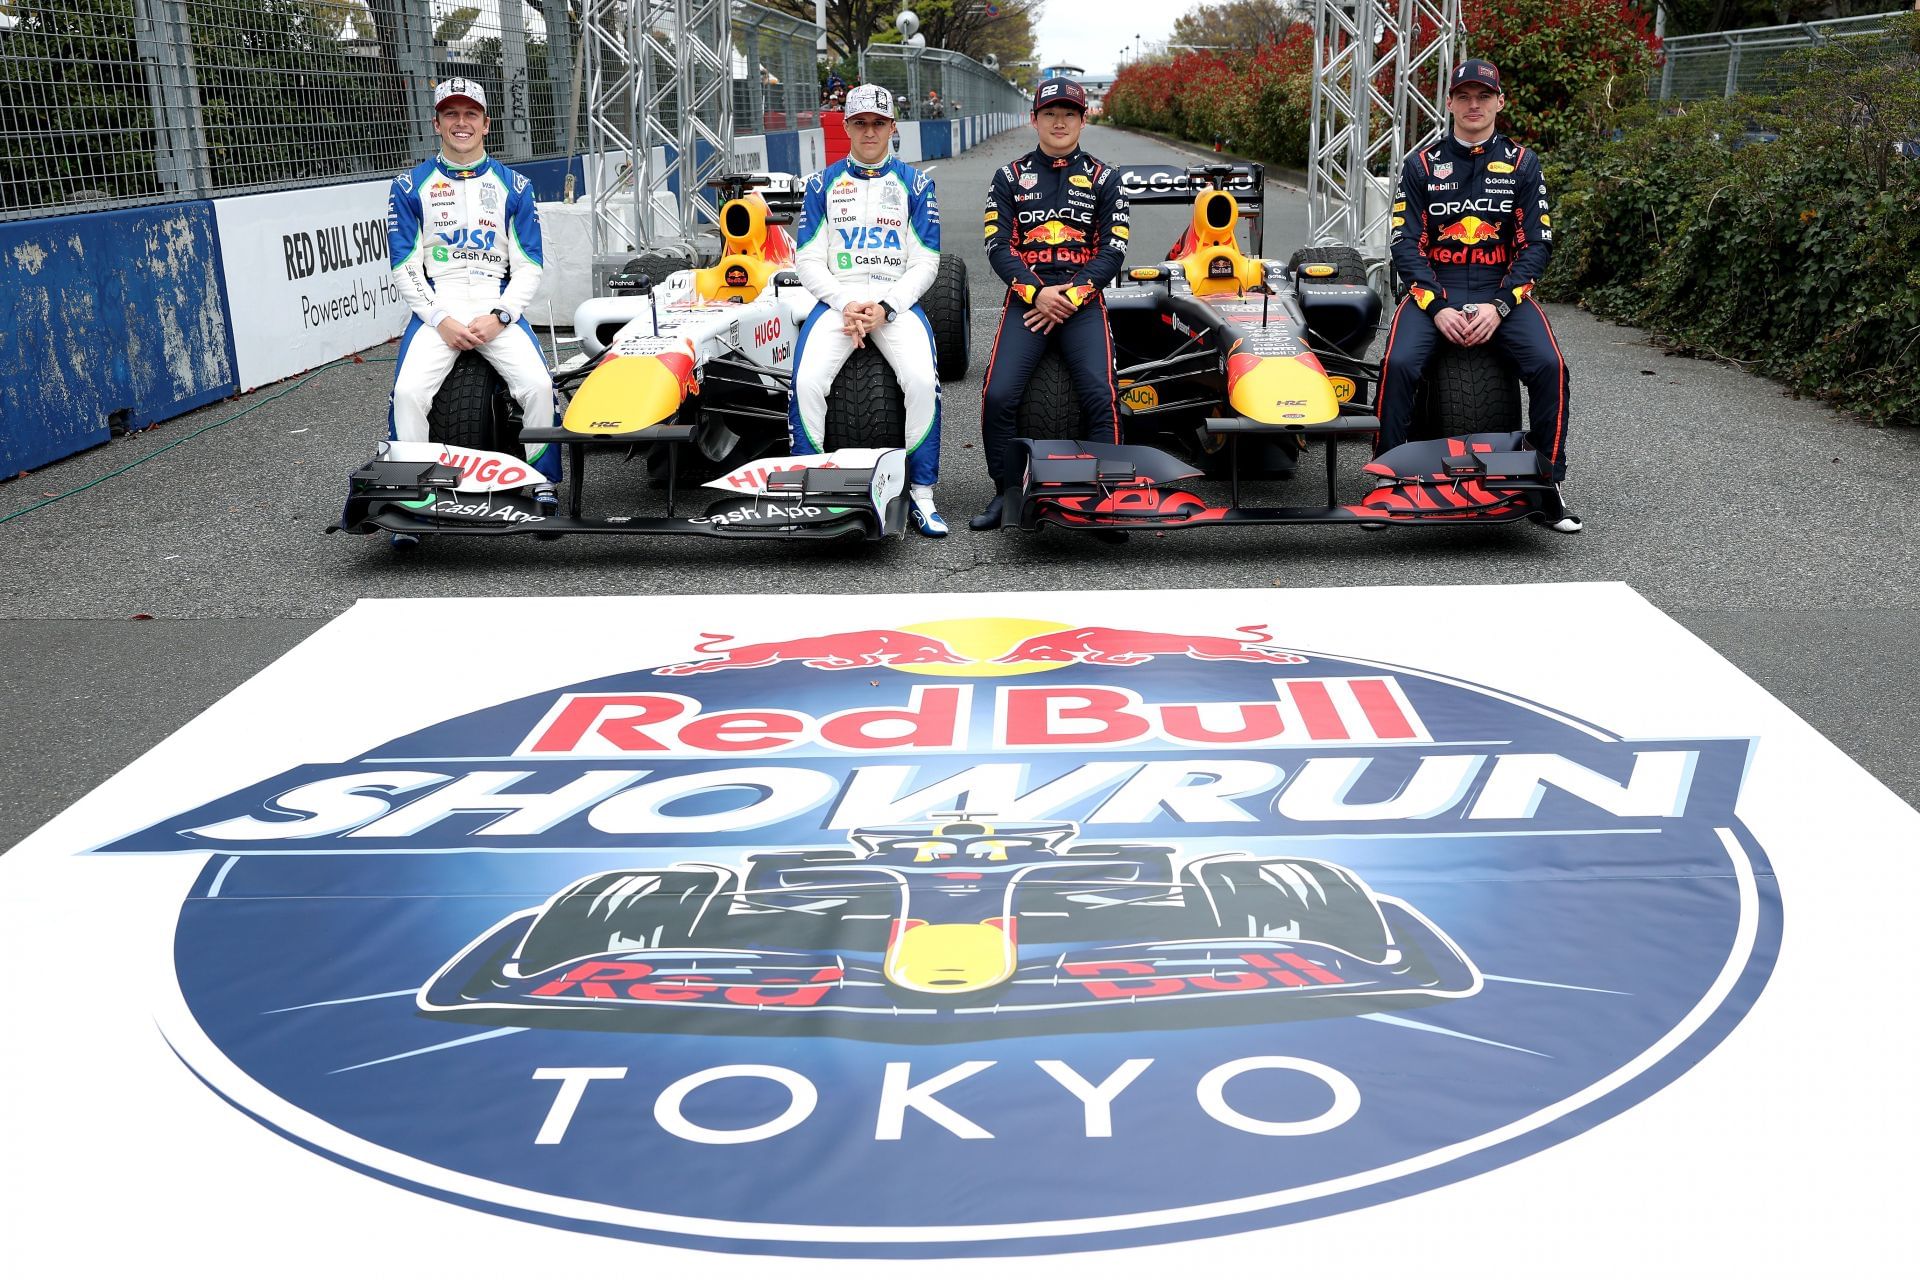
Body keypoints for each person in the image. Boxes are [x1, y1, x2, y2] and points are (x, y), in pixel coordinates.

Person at [1376, 59, 1579, 533]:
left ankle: (1549, 486)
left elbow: (1537, 244)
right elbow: (1404, 243)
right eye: (1464, 96)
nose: (1474, 104)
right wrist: (1436, 305)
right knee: (1399, 365)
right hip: (1436, 291)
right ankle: (1386, 483)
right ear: (1449, 103)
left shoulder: (1523, 163)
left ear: (1498, 103)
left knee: (1552, 368)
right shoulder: (1421, 165)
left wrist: (1502, 304)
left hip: (1500, 293)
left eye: (1483, 96)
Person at [386, 76, 559, 543]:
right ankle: (410, 500)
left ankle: (541, 485)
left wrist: (500, 316)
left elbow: (529, 266)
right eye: (451, 115)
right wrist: (440, 320)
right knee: (407, 395)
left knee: (539, 387)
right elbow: (404, 267)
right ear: (437, 124)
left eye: (470, 115)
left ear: (485, 124)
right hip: (438, 305)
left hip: (494, 302)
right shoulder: (408, 185)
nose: (460, 123)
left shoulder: (515, 186)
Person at [788, 82, 947, 535]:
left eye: (878, 123)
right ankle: (810, 490)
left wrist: (886, 307)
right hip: (839, 301)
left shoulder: (916, 183)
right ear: (846, 127)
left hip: (895, 301)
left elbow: (926, 261)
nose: (870, 132)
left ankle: (922, 495)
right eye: (861, 123)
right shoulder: (821, 183)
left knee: (920, 380)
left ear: (892, 127)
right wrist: (846, 304)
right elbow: (808, 259)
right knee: (807, 381)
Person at [974, 77, 1131, 532]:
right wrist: (1037, 293)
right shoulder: (1008, 176)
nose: (1059, 122)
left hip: (1082, 302)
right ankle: (1005, 495)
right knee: (999, 394)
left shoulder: (1106, 178)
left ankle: (1111, 499)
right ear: (1034, 119)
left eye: (1068, 113)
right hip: (1028, 299)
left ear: (1083, 119)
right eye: (1050, 113)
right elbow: (997, 246)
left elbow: (1113, 250)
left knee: (1102, 397)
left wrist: (1071, 295)